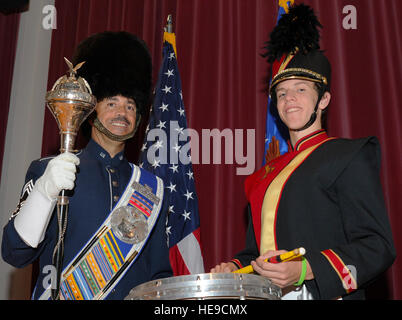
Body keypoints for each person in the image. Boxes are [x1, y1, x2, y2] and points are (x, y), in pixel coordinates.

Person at [211, 4, 396, 300]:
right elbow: (257, 254)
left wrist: (307, 269)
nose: (289, 99)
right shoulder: (264, 177)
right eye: (282, 92)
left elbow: (377, 246)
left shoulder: (347, 155)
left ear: (323, 100)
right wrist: (234, 267)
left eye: (300, 89)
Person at [1, 31, 173, 300]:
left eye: (130, 105)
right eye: (112, 102)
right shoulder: (50, 169)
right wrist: (44, 192)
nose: (122, 113)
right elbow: (14, 252)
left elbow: (159, 275)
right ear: (91, 112)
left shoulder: (151, 188)